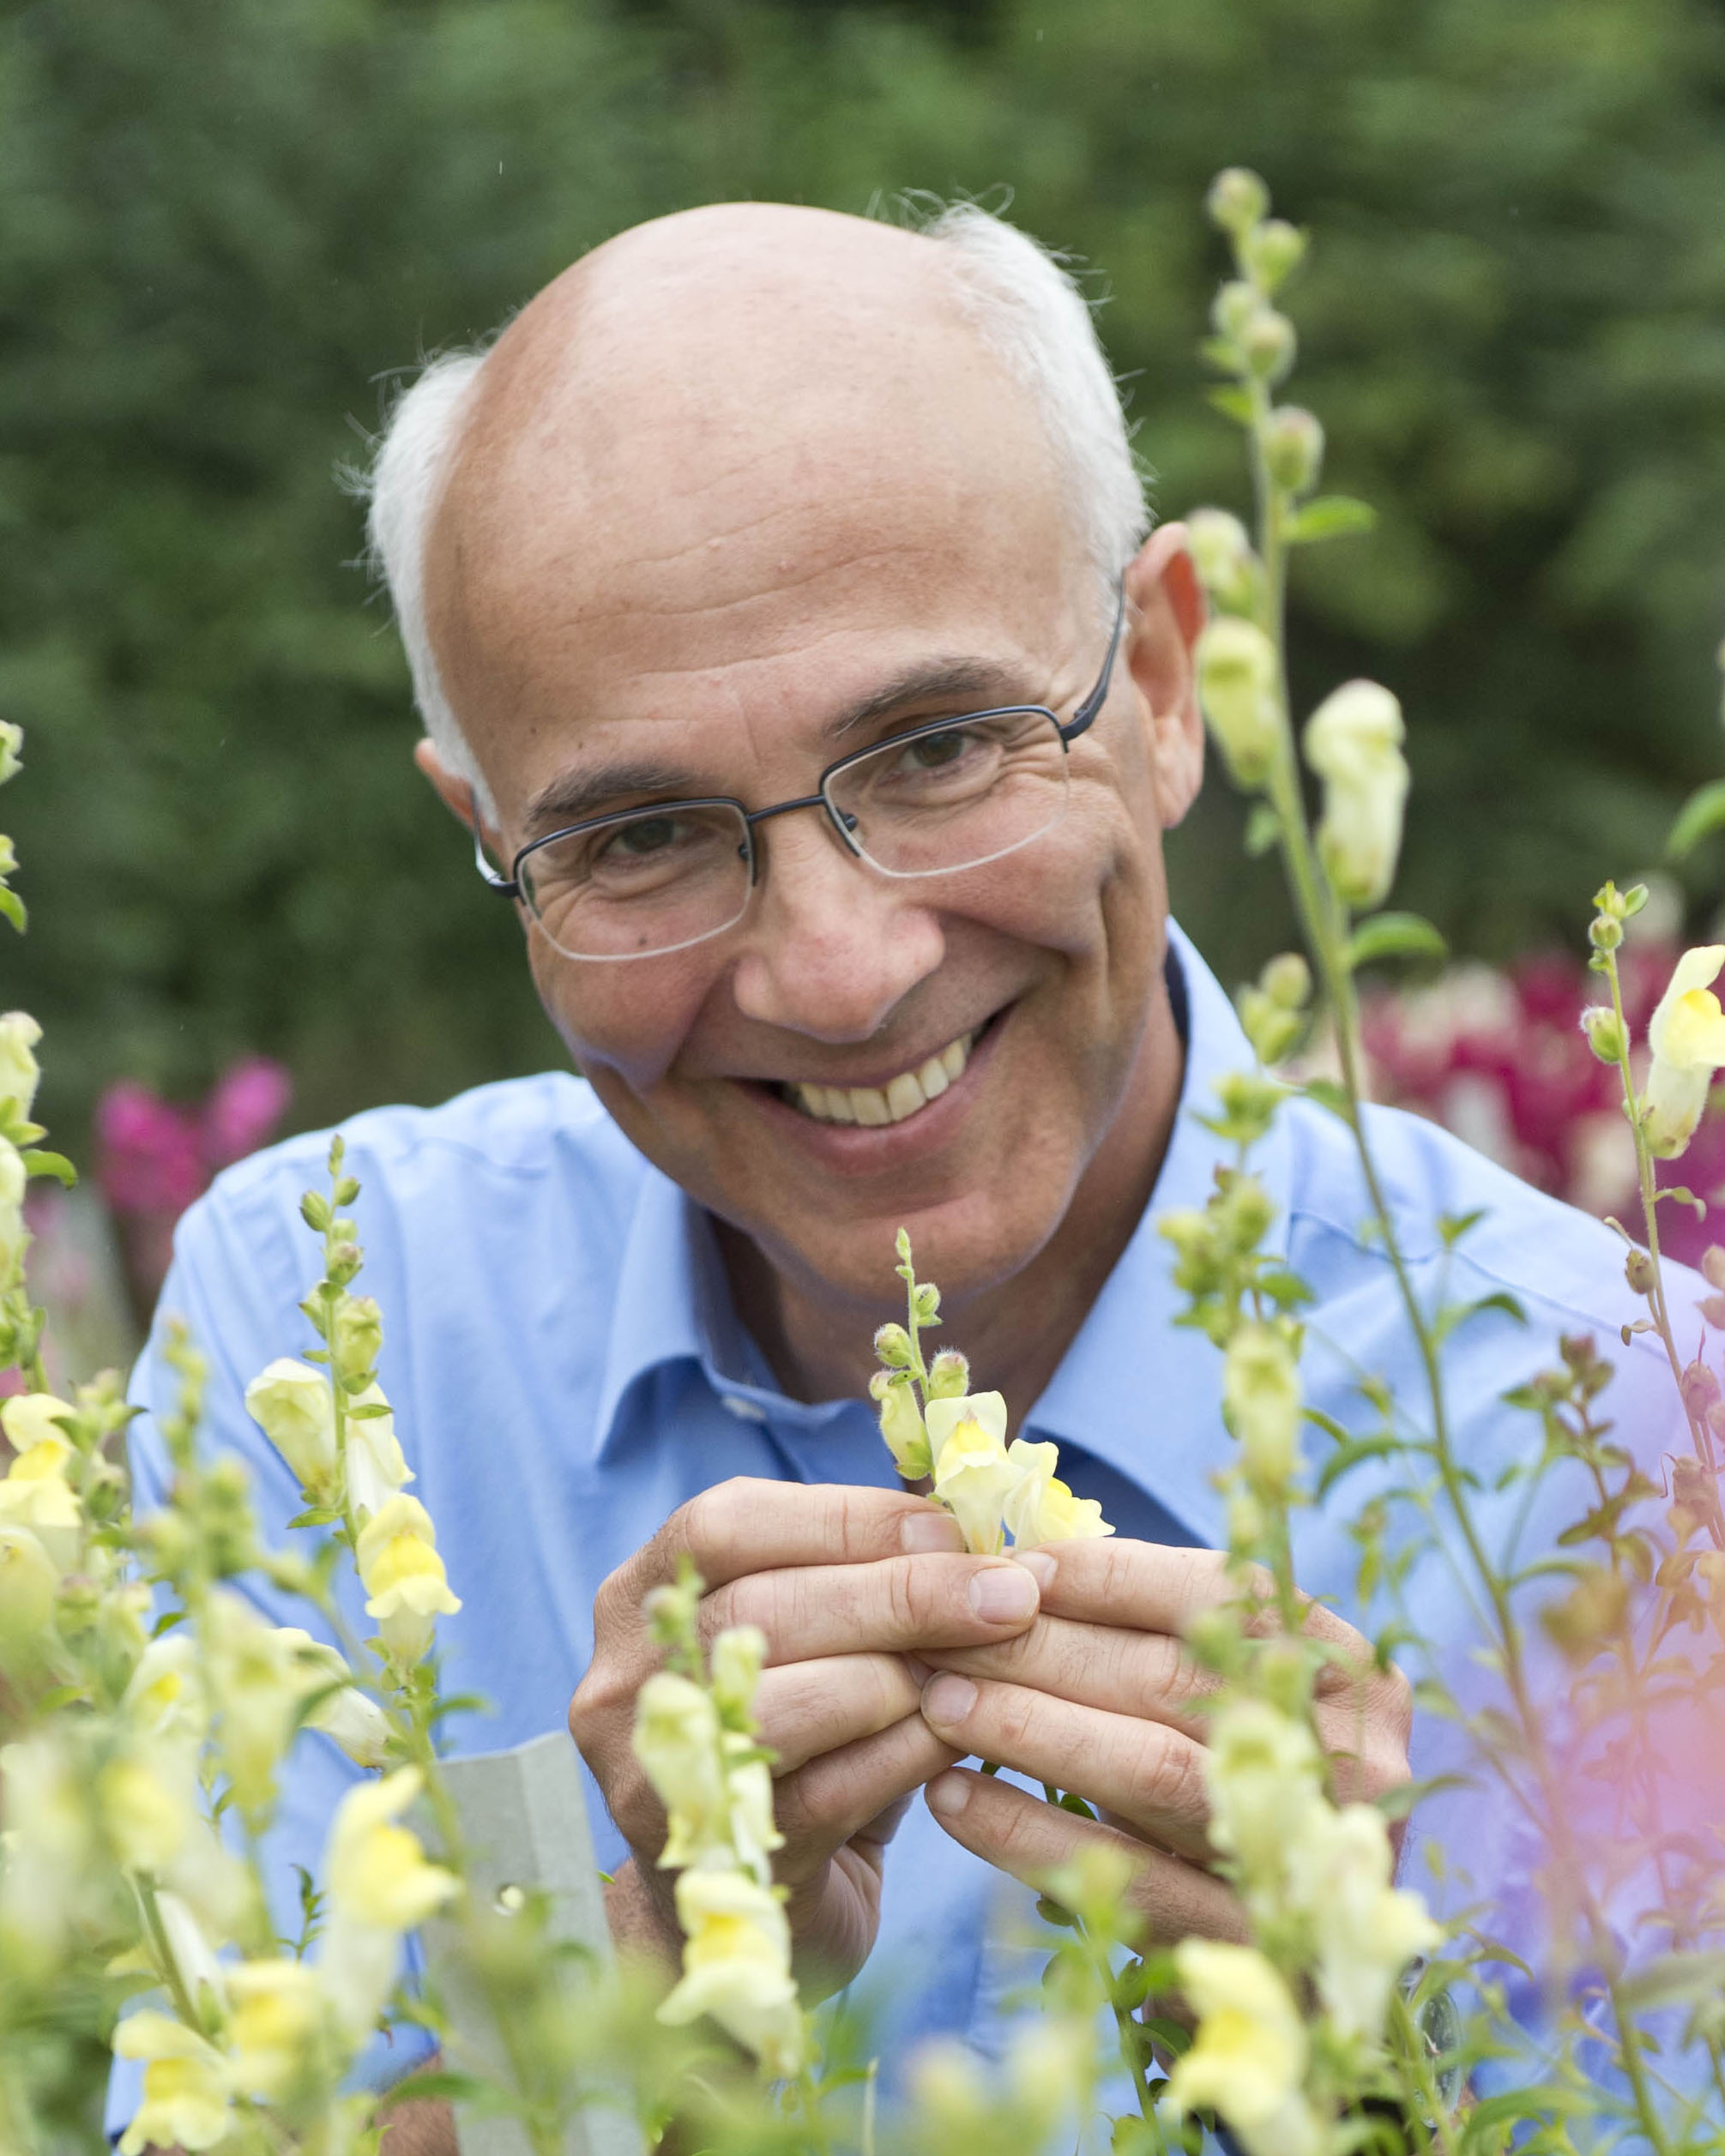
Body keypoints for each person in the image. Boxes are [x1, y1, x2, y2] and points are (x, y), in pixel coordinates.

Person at [114, 199, 1692, 2146]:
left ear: (1168, 686)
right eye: (641, 840)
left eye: (941, 746)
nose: (842, 973)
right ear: (487, 837)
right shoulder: (337, 1331)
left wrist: (1406, 2041)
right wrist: (623, 1996)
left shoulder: (1624, 1435)